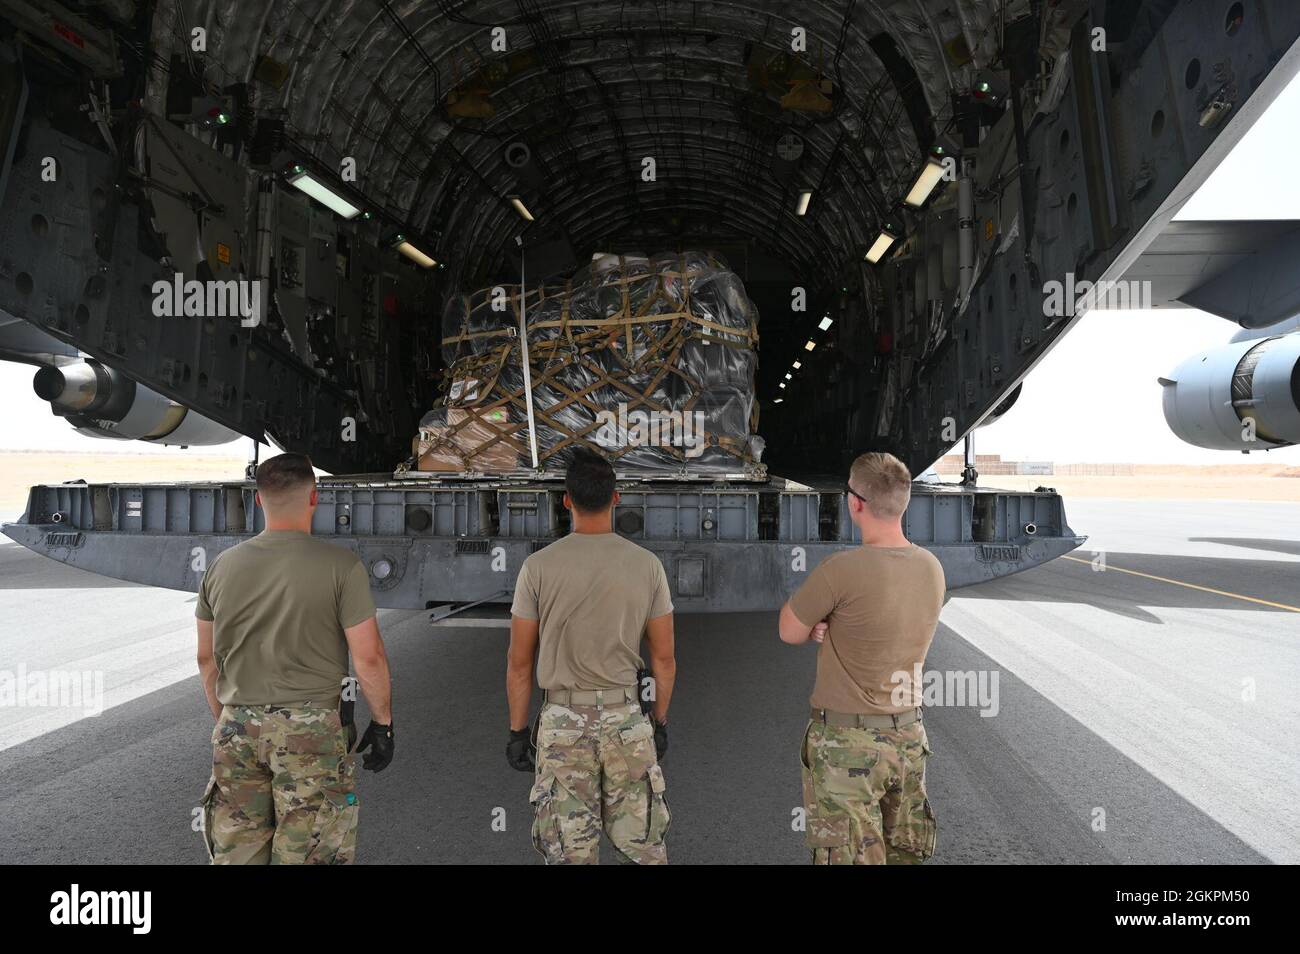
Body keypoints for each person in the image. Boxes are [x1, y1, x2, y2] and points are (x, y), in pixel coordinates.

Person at [195, 452, 394, 864]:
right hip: (311, 730)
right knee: (310, 849)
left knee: (238, 851)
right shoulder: (342, 567)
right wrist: (383, 724)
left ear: (258, 501)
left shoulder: (220, 567)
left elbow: (205, 660)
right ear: (314, 498)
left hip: (238, 725)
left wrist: (229, 719)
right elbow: (369, 658)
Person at [505, 446, 676, 864]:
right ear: (617, 498)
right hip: (626, 721)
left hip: (563, 725)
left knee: (569, 853)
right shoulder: (647, 565)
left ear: (566, 500)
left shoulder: (538, 567)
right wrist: (659, 721)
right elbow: (665, 660)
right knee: (643, 850)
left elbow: (519, 662)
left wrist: (516, 731)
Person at [779, 451, 946, 865]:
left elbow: (789, 630)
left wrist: (825, 622)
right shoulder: (931, 567)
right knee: (903, 854)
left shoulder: (841, 571)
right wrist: (836, 624)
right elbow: (889, 623)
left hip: (846, 749)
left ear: (854, 502)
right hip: (908, 738)